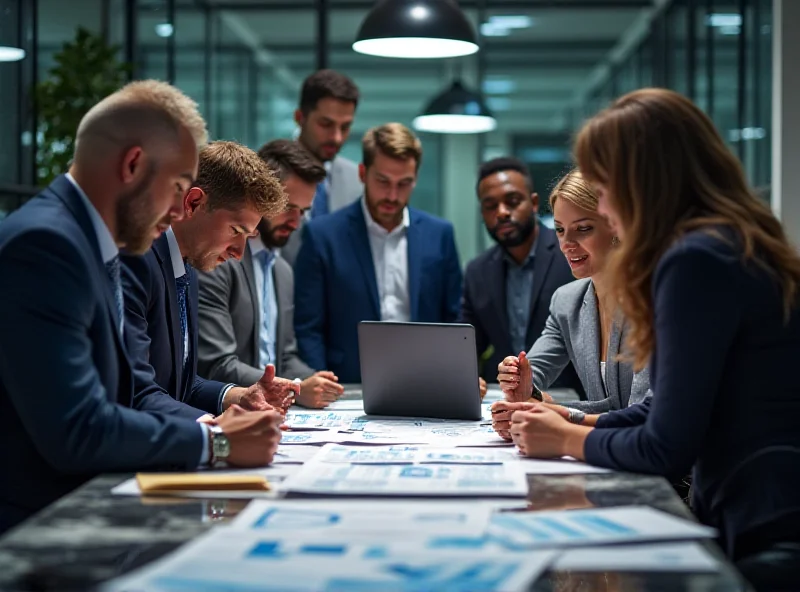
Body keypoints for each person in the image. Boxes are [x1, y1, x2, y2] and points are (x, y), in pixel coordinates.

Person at [508, 89, 800, 585]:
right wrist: (572, 419)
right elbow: (662, 408)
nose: (602, 205)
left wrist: (566, 438)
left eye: (603, 189)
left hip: (764, 526)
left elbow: (666, 446)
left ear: (641, 181)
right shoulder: (725, 240)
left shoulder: (694, 260)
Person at [0, 81, 282, 533]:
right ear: (132, 165)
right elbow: (79, 429)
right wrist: (217, 442)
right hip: (39, 528)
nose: (178, 211)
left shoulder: (91, 241)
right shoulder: (46, 245)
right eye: (177, 187)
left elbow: (133, 388)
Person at [122, 141, 299, 422]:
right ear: (193, 203)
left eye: (248, 236)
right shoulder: (136, 260)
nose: (239, 254)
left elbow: (182, 386)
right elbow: (135, 392)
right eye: (235, 230)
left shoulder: (189, 266)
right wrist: (217, 434)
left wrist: (240, 397)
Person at [294, 123, 463, 383]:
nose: (392, 195)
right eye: (383, 181)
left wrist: (455, 376)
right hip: (346, 384)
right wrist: (319, 380)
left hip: (427, 381)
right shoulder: (322, 235)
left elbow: (455, 321)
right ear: (363, 173)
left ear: (415, 178)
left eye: (404, 183)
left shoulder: (439, 234)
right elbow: (308, 326)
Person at [491, 170, 651, 440]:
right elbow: (534, 371)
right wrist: (520, 382)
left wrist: (554, 416)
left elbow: (639, 416)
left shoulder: (652, 301)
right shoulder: (567, 301)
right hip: (610, 458)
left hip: (673, 476)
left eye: (583, 228)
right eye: (560, 229)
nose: (566, 244)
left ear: (617, 226)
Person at [197, 139, 345, 408]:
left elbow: (284, 358)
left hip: (271, 408)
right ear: (264, 195)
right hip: (228, 410)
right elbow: (216, 365)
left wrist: (313, 379)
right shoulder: (217, 259)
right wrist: (297, 388)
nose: (296, 222)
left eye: (303, 212)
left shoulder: (283, 271)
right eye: (289, 207)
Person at [461, 157, 580, 393]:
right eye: (490, 206)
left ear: (534, 203)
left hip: (568, 398)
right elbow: (466, 344)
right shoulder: (478, 271)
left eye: (512, 201)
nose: (502, 212)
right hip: (503, 398)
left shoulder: (571, 255)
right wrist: (462, 378)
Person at [282, 69, 364, 266]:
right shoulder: (266, 173)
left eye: (345, 127)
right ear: (300, 117)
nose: (336, 137)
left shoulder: (358, 181)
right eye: (326, 124)